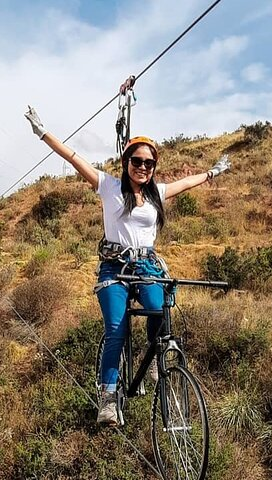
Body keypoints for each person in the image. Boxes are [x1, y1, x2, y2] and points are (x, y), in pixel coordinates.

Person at [24, 106, 231, 425]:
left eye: (149, 163)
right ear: (126, 162)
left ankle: (153, 361)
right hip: (114, 269)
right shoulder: (108, 186)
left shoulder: (157, 194)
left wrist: (213, 173)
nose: (143, 167)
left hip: (147, 268)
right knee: (116, 330)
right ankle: (108, 398)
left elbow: (187, 183)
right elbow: (74, 159)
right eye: (137, 161)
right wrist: (43, 133)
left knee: (159, 313)